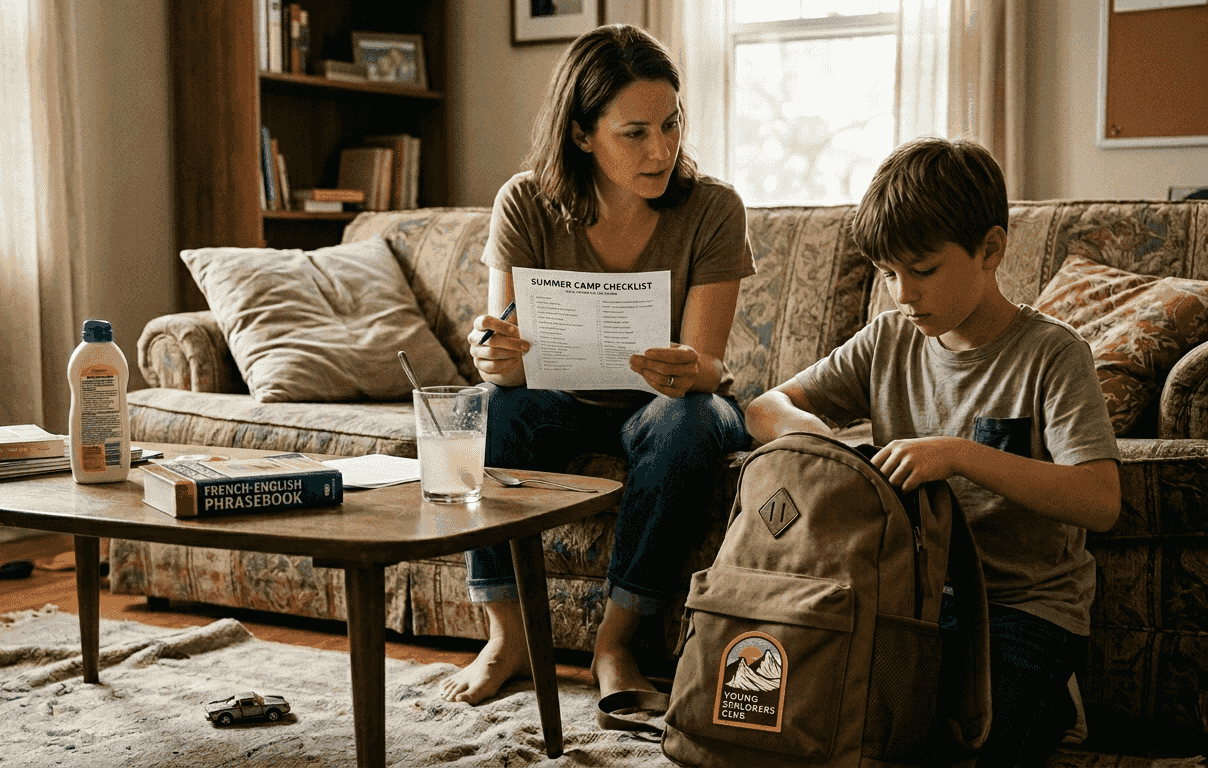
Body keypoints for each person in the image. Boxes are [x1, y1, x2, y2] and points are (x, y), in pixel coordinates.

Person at [743, 137, 1121, 768]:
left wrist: (960, 455)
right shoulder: (889, 337)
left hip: (1022, 607)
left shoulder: (1053, 354)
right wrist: (829, 445)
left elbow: (1100, 500)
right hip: (905, 600)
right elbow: (763, 408)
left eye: (921, 270)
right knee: (824, 738)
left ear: (991, 250)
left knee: (967, 754)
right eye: (888, 274)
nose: (901, 294)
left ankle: (1052, 699)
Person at [438, 24, 756, 707]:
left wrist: (682, 368)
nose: (663, 148)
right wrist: (495, 356)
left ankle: (616, 643)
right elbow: (510, 365)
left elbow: (708, 368)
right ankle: (509, 637)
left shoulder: (713, 209)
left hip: (671, 405)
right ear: (582, 135)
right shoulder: (525, 203)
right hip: (561, 399)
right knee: (480, 408)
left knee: (690, 421)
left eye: (671, 125)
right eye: (635, 132)